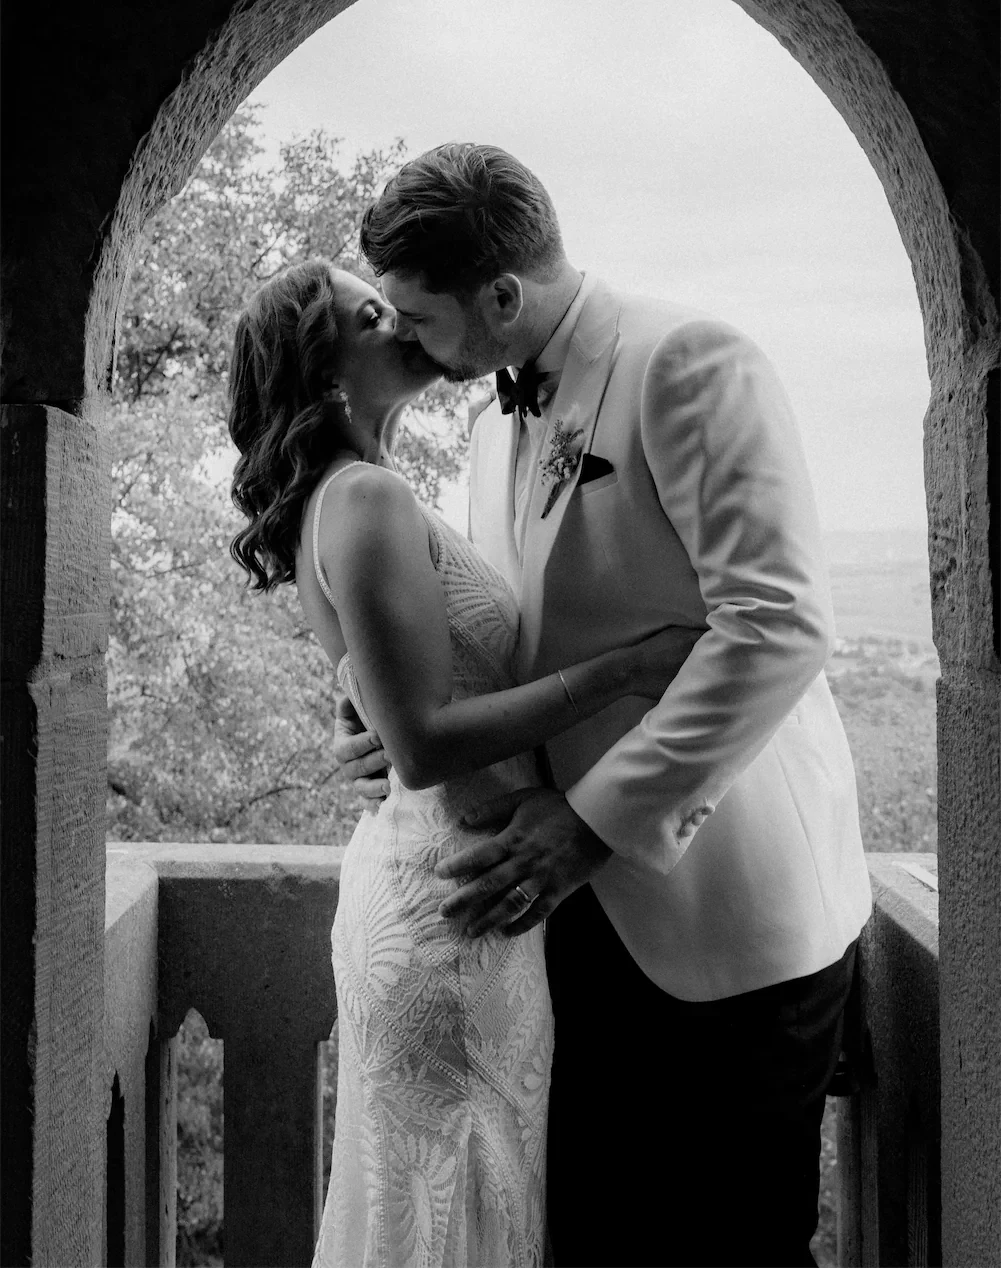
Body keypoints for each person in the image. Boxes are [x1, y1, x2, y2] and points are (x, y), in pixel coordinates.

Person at [336, 142, 874, 1267]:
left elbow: (775, 624)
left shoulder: (687, 359)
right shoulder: (489, 425)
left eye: (420, 317)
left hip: (726, 914)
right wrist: (399, 711)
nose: (409, 344)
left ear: (500, 297)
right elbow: (513, 633)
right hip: (566, 927)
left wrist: (591, 824)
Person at [227, 258, 699, 1268]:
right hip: (452, 917)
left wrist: (373, 717)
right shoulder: (364, 497)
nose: (401, 319)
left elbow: (394, 700)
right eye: (370, 314)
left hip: (447, 888)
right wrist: (626, 669)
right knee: (457, 1211)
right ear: (324, 370)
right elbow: (424, 744)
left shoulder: (353, 495)